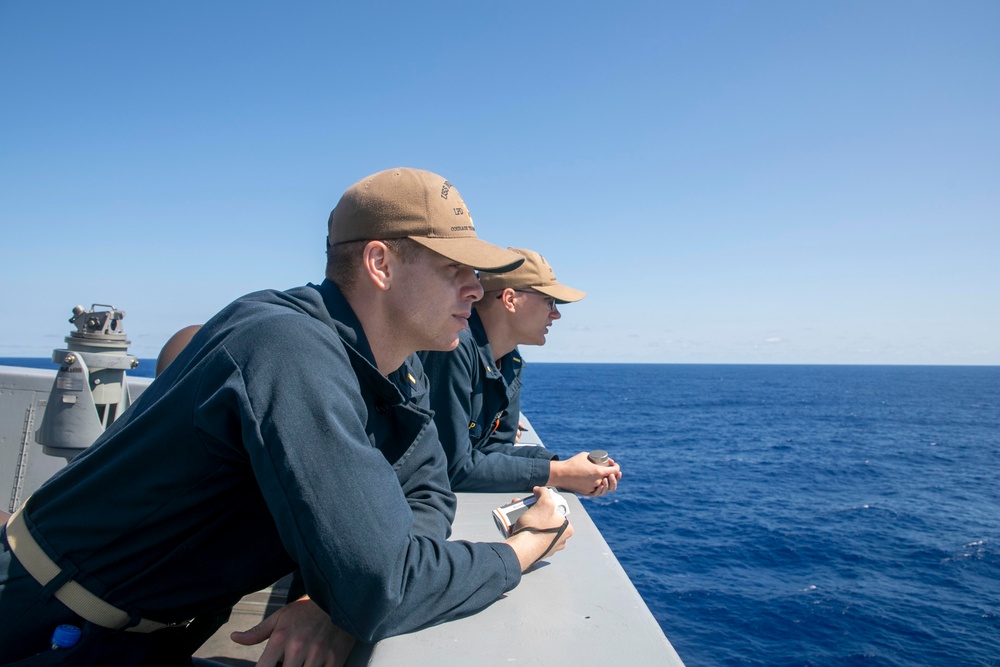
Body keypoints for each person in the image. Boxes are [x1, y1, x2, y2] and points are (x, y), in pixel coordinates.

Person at [0, 168, 574, 667]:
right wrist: (523, 549)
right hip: (46, 626)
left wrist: (334, 596)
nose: (476, 289)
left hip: (147, 629)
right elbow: (387, 586)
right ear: (381, 264)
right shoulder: (287, 347)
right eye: (455, 268)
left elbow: (425, 491)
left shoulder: (399, 368)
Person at [419, 247, 622, 494]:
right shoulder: (453, 347)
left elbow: (493, 450)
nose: (556, 314)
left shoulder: (509, 360)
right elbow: (451, 467)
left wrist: (566, 467)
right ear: (510, 300)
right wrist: (561, 474)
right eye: (549, 301)